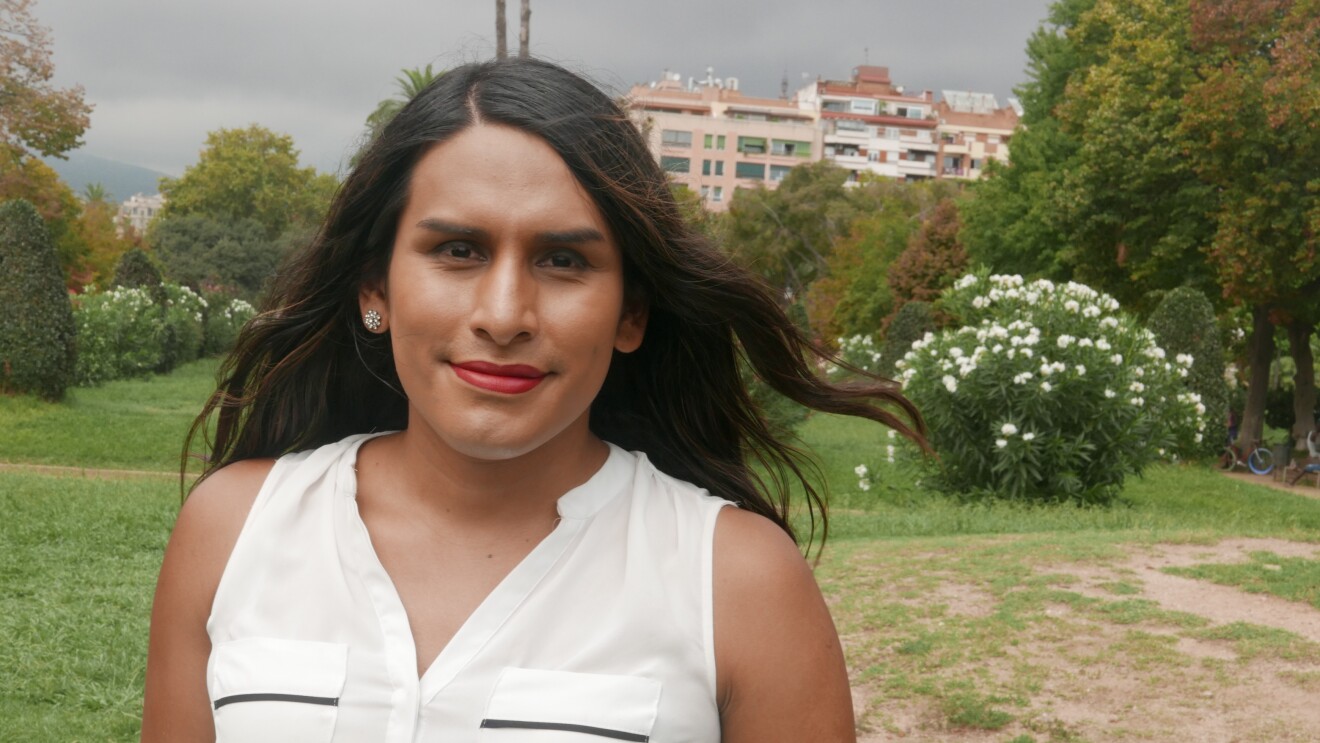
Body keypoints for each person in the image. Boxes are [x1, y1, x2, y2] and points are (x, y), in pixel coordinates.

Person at [141, 57, 924, 742]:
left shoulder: (738, 582)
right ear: (375, 287)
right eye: (458, 250)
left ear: (631, 313)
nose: (504, 314)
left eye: (562, 260)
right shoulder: (234, 530)